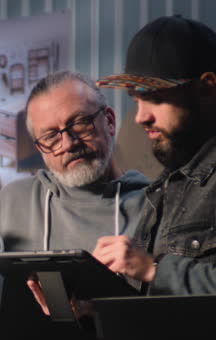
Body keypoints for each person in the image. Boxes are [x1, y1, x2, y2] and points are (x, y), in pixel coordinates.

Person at [0, 70, 148, 340]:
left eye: (80, 124)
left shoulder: (154, 204)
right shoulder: (9, 205)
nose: (69, 143)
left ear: (110, 121)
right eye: (51, 136)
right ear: (40, 148)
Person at [95, 14, 216, 296]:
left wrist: (153, 269)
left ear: (206, 89)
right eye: (136, 100)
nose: (140, 117)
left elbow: (155, 274)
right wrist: (93, 307)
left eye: (156, 98)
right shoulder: (164, 187)